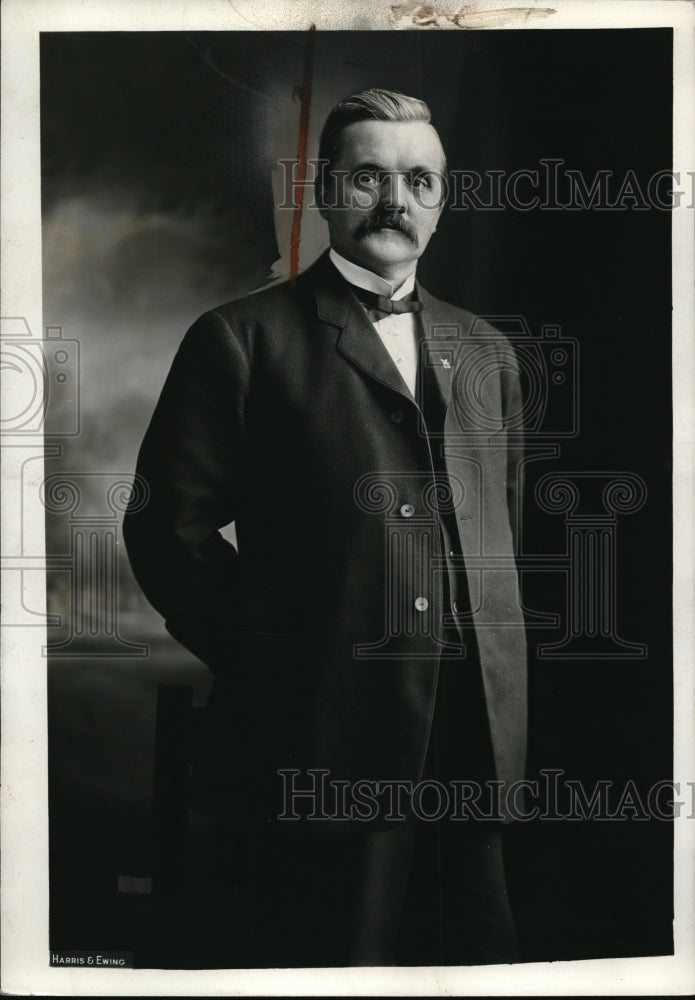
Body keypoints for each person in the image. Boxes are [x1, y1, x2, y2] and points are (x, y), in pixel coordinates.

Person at [124, 88, 527, 968]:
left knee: (476, 965)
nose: (395, 200)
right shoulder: (239, 339)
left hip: (472, 743)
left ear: (441, 202)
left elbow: (503, 533)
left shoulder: (487, 352)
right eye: (369, 176)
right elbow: (167, 533)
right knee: (334, 964)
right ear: (325, 190)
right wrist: (278, 662)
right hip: (319, 741)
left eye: (419, 180)